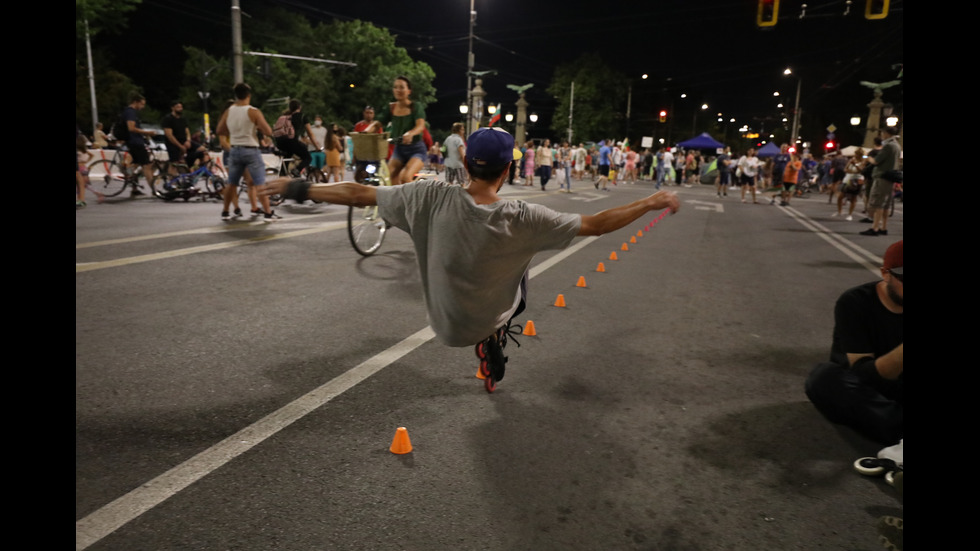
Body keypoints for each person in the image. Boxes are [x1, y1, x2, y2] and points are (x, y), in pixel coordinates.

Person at [262, 127, 681, 391]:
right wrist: (652, 200)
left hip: (444, 324)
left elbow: (355, 193)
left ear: (464, 162)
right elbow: (598, 224)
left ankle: (491, 334)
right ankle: (495, 333)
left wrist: (295, 186)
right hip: (487, 316)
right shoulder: (524, 217)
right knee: (523, 269)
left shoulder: (426, 196)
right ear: (507, 172)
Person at [805, 239, 902, 446]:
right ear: (885, 274)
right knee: (823, 378)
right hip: (864, 385)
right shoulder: (855, 302)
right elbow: (864, 374)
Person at [215, 82, 280, 222]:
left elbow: (219, 130)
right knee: (259, 182)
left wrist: (233, 131)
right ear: (249, 95)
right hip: (250, 150)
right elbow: (268, 131)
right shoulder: (253, 111)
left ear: (236, 95)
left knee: (231, 183)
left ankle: (225, 211)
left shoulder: (229, 111)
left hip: (234, 150)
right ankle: (268, 213)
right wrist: (256, 127)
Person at [362, 76, 427, 185]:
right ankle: (397, 201)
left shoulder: (416, 106)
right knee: (387, 177)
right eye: (395, 87)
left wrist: (411, 133)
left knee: (405, 177)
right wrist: (368, 130)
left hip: (416, 149)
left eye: (401, 87)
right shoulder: (391, 107)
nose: (398, 90)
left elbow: (420, 126)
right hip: (399, 149)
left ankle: (413, 200)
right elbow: (378, 123)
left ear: (409, 91)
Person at [861, 127, 902, 237]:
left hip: (882, 176)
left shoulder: (888, 146)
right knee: (886, 205)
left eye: (882, 133)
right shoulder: (897, 145)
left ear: (886, 133)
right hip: (891, 177)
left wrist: (867, 157)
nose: (882, 135)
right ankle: (884, 227)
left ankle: (875, 228)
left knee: (877, 203)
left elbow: (876, 161)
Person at [120, 92, 159, 196]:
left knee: (137, 164)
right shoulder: (130, 112)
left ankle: (133, 185)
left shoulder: (128, 112)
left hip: (134, 141)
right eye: (142, 104)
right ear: (136, 102)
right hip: (135, 142)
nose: (143, 107)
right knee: (147, 165)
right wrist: (147, 132)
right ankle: (154, 190)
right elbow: (131, 128)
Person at [274, 99, 318, 177]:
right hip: (292, 142)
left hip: (280, 143)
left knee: (287, 158)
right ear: (299, 107)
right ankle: (297, 170)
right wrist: (316, 146)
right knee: (307, 157)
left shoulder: (286, 116)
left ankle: (282, 177)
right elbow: (310, 133)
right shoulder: (302, 116)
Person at [834, 149, 865, 220]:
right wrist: (851, 170)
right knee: (840, 196)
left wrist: (855, 165)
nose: (855, 156)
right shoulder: (852, 160)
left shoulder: (863, 161)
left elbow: (861, 170)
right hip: (848, 179)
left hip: (858, 180)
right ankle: (840, 211)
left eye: (857, 154)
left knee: (853, 198)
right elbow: (845, 169)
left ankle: (850, 215)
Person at [161, 100, 192, 171]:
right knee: (174, 163)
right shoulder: (168, 119)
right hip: (173, 143)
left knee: (201, 150)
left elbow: (187, 131)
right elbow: (169, 135)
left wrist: (188, 140)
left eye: (181, 107)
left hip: (183, 141)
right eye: (178, 107)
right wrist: (180, 146)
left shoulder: (183, 119)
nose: (180, 109)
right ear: (172, 108)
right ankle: (172, 179)